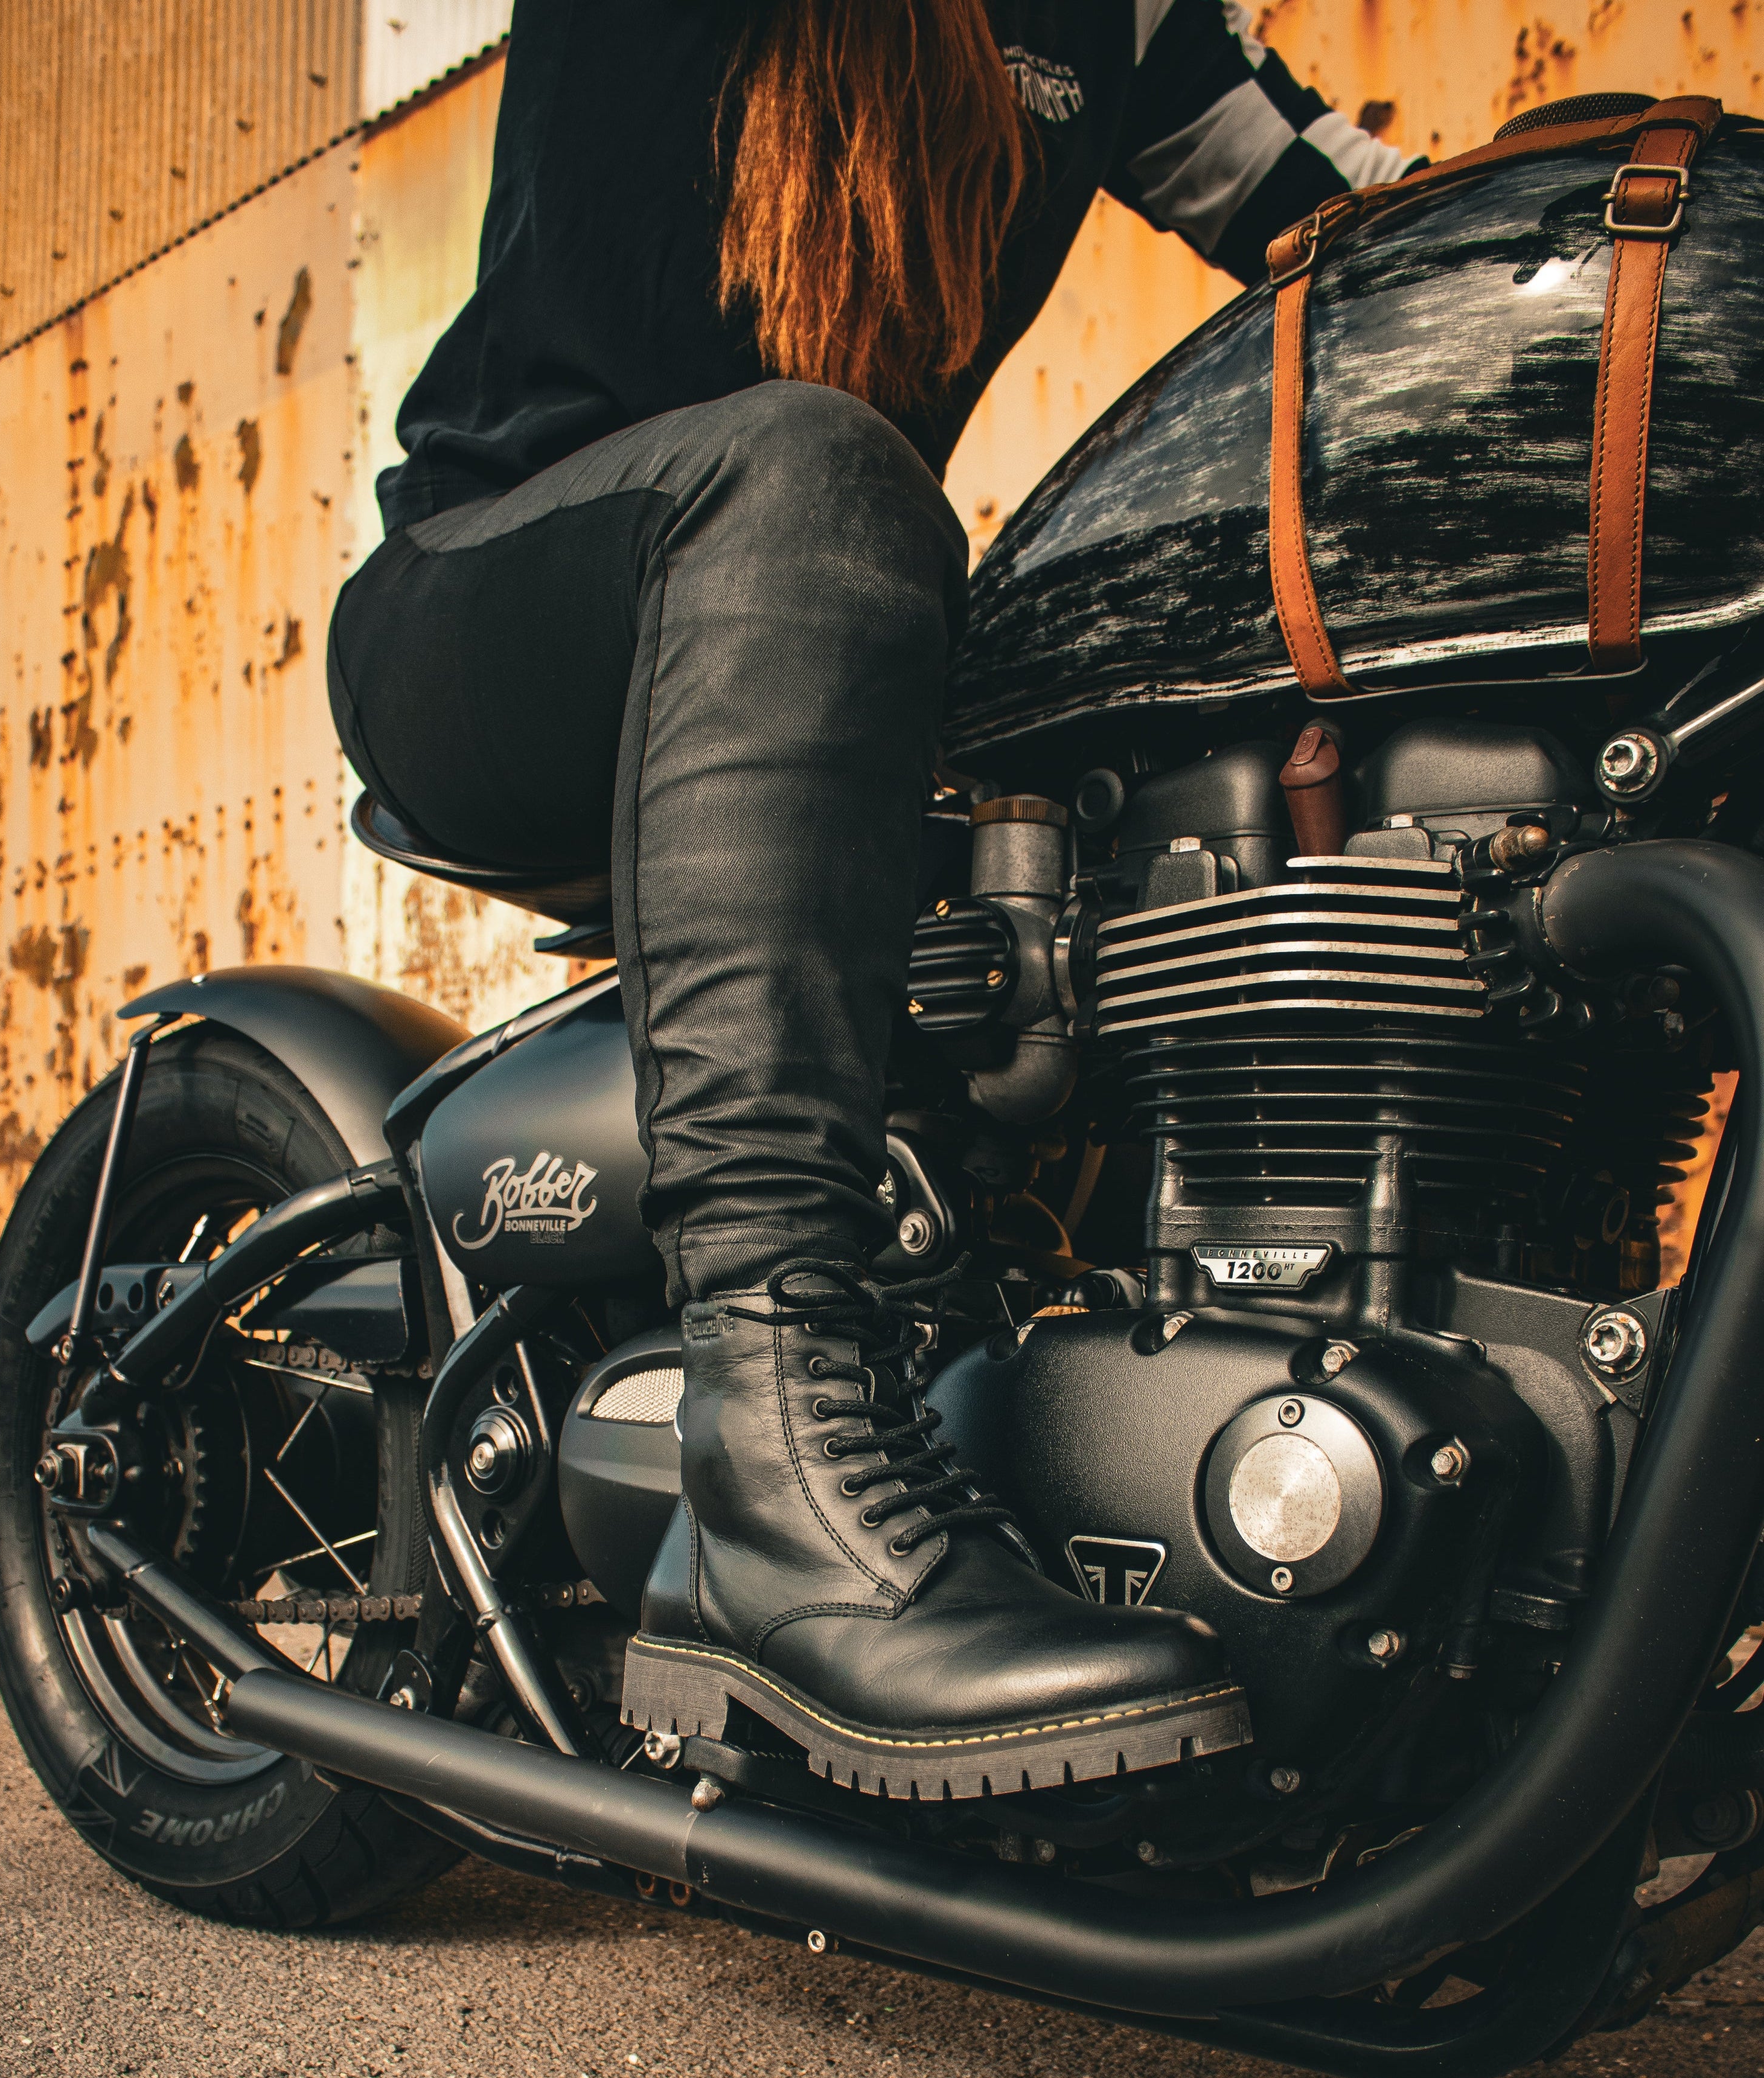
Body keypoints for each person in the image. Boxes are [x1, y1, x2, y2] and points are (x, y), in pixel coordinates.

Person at [327, 1, 1413, 1795]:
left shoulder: (1124, 19)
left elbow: (1339, 206)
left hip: (796, 613)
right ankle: (775, 1464)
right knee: (831, 473)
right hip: (506, 596)